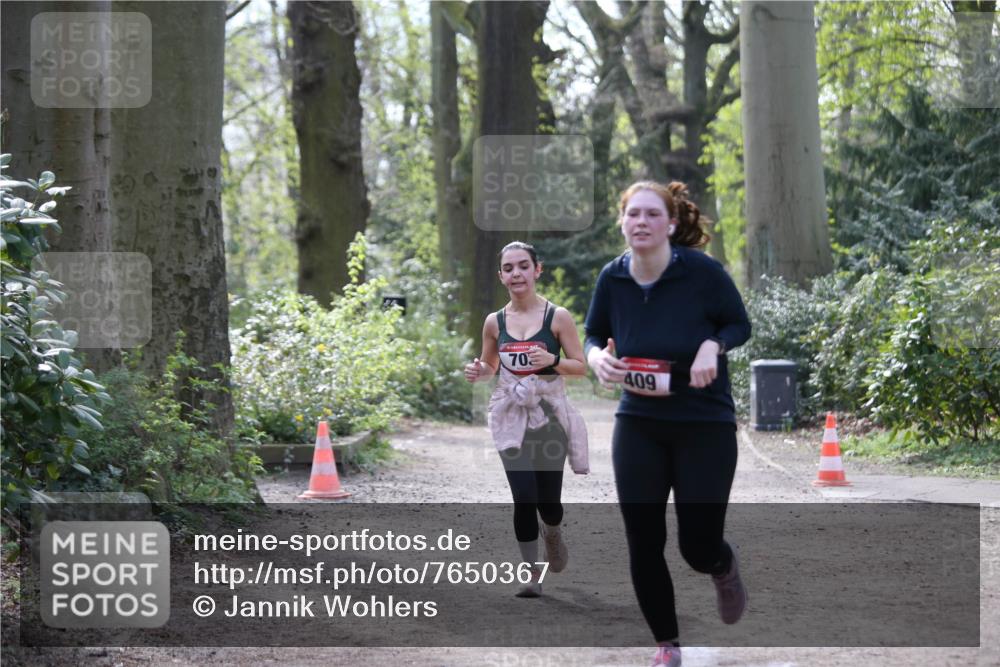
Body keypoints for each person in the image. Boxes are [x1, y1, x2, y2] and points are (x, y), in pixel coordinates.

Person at [584, 181, 751, 666]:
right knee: (643, 536)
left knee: (696, 545)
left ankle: (721, 564)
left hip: (704, 423)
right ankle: (667, 647)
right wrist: (596, 357)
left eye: (652, 214)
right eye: (632, 213)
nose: (641, 221)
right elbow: (596, 332)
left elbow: (738, 323)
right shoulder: (612, 278)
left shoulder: (701, 273)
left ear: (671, 225)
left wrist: (710, 346)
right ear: (622, 222)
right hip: (639, 422)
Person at [464, 241, 589, 597]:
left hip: (548, 417)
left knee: (548, 503)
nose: (516, 273)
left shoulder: (557, 317)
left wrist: (549, 360)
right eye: (508, 268)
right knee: (523, 497)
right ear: (501, 275)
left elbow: (580, 367)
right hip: (510, 417)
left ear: (537, 270)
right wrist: (479, 371)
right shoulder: (494, 322)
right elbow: (490, 365)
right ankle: (531, 572)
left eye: (523, 266)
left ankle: (552, 532)